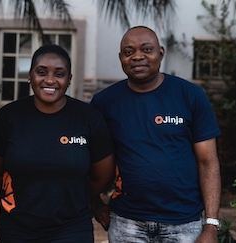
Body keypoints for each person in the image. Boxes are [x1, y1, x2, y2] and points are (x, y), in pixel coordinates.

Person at [90, 26, 221, 243]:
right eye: (129, 51)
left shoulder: (190, 95)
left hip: (184, 223)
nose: (137, 56)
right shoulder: (104, 102)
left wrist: (211, 225)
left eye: (146, 49)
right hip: (126, 223)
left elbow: (208, 162)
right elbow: (86, 158)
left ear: (161, 52)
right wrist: (94, 203)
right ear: (121, 58)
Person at [0, 44, 115, 242]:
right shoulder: (9, 117)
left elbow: (102, 177)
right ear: (30, 76)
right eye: (41, 72)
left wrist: (70, 193)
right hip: (17, 228)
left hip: (72, 228)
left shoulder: (89, 118)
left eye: (59, 74)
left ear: (69, 80)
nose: (49, 80)